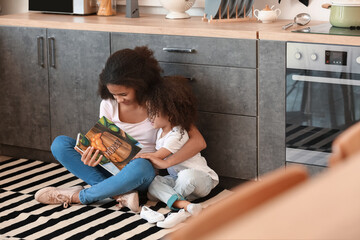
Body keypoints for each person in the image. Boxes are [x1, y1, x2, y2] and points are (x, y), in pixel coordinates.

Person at [34, 46, 207, 212]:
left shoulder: (159, 104)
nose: (118, 99)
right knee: (60, 144)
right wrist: (93, 155)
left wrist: (166, 162)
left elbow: (198, 141)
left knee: (140, 165)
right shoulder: (108, 104)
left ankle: (80, 196)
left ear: (140, 85)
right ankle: (119, 194)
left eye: (123, 94)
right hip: (110, 167)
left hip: (141, 173)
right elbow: (104, 142)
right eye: (113, 94)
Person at [137, 77, 219, 228]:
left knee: (187, 176)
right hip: (177, 180)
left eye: (153, 112)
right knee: (154, 183)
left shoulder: (178, 133)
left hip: (201, 179)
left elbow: (158, 157)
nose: (149, 117)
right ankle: (186, 206)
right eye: (149, 112)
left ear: (170, 114)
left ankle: (172, 201)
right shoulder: (160, 132)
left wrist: (136, 156)